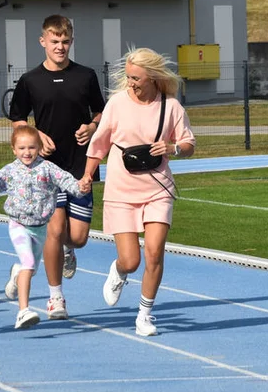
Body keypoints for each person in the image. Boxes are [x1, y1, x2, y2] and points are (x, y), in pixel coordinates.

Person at [82, 48, 195, 337]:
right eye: (129, 77)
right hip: (121, 189)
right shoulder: (117, 104)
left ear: (154, 77)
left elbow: (188, 145)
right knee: (131, 260)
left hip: (158, 188)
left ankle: (145, 314)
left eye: (136, 78)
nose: (130, 82)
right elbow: (99, 144)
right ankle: (119, 271)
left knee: (155, 253)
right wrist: (86, 175)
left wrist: (172, 149)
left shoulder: (171, 107)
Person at [8, 15, 105, 320]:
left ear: (71, 41)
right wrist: (36, 136)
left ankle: (63, 251)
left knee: (76, 237)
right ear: (43, 42)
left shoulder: (86, 76)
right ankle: (55, 298)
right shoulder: (30, 80)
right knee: (55, 228)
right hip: (45, 169)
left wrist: (92, 127)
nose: (60, 47)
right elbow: (18, 120)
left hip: (79, 167)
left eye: (65, 41)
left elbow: (102, 112)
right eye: (54, 42)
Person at [0, 126, 91, 329]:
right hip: (18, 225)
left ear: (39, 147)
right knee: (29, 264)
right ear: (13, 150)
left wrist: (81, 187)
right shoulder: (10, 171)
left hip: (40, 228)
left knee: (30, 269)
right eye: (21, 148)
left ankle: (16, 274)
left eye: (31, 147)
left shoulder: (48, 168)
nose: (26, 152)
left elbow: (68, 182)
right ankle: (23, 311)